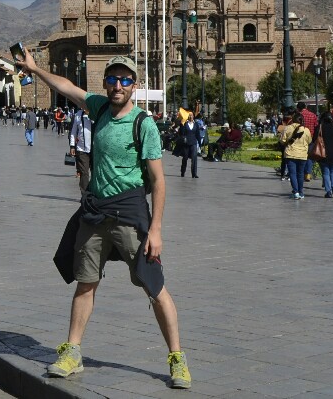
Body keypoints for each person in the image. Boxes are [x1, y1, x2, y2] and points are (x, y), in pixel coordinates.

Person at [16, 52, 191, 390]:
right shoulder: (98, 109)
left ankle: (177, 358)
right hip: (95, 214)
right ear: (106, 83)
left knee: (155, 288)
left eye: (125, 80)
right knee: (86, 283)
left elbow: (158, 181)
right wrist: (36, 69)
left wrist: (155, 230)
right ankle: (73, 351)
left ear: (134, 85)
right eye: (112, 79)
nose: (118, 85)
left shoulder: (144, 124)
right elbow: (68, 88)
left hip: (130, 215)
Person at [277, 111, 310, 200]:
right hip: (302, 154)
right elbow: (309, 141)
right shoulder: (306, 130)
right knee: (300, 174)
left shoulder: (287, 128)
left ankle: (295, 192)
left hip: (290, 153)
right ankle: (301, 192)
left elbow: (282, 141)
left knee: (293, 173)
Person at [69, 106, 93, 190]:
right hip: (81, 149)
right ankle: (85, 194)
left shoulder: (97, 114)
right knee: (84, 173)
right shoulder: (78, 115)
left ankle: (95, 193)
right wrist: (72, 146)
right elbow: (73, 132)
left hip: (95, 149)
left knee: (95, 173)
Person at [177, 113, 200, 179]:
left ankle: (194, 173)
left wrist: (200, 144)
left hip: (193, 143)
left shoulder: (196, 124)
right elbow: (181, 133)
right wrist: (181, 125)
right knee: (185, 158)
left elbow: (198, 134)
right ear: (188, 117)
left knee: (194, 158)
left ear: (193, 116)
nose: (191, 116)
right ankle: (183, 171)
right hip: (186, 143)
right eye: (189, 115)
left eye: (192, 115)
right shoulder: (185, 124)